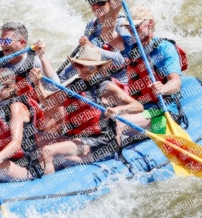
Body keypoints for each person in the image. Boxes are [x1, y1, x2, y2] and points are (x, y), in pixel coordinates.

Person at [29, 46, 143, 174]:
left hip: (99, 143)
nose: (83, 69)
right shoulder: (74, 86)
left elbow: (138, 106)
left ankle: (48, 187)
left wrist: (119, 110)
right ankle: (37, 170)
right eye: (79, 65)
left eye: (89, 66)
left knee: (46, 152)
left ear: (98, 68)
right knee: (32, 139)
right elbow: (46, 101)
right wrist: (37, 84)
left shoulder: (105, 87)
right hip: (77, 139)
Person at [105, 2, 186, 146]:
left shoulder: (164, 48)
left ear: (150, 23)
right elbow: (106, 32)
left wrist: (163, 88)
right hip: (138, 108)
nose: (132, 31)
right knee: (104, 118)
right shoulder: (131, 47)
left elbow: (176, 83)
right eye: (129, 27)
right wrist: (116, 5)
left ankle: (117, 158)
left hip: (161, 112)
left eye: (136, 27)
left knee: (117, 123)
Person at [59, 0, 128, 84]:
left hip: (120, 82)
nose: (95, 6)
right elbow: (83, 61)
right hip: (96, 80)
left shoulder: (122, 25)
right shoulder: (91, 25)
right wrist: (57, 81)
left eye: (100, 2)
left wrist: (93, 49)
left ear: (110, 2)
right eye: (92, 2)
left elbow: (123, 60)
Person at [0, 21, 60, 103]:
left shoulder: (35, 62)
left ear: (22, 43)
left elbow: (55, 87)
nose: (2, 45)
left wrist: (41, 56)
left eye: (6, 41)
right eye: (1, 41)